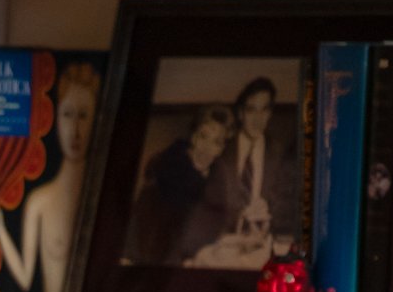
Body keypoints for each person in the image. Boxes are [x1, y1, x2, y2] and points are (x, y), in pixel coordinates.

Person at [0, 59, 100, 292]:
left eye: (84, 116)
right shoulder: (40, 201)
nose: (75, 131)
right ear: (56, 118)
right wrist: (0, 229)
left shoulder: (105, 204)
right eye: (67, 115)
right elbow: (24, 278)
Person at [181, 75, 295, 260]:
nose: (258, 119)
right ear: (241, 113)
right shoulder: (220, 144)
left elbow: (288, 204)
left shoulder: (281, 153)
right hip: (219, 243)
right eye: (251, 110)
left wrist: (269, 210)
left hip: (260, 245)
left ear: (270, 113)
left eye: (264, 110)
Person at [126, 103, 233, 266]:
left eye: (216, 142)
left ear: (221, 149)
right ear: (193, 137)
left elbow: (220, 217)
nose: (206, 148)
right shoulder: (169, 167)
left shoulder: (217, 174)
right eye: (203, 136)